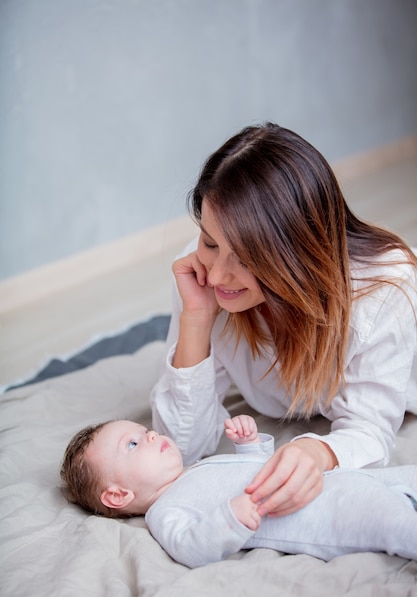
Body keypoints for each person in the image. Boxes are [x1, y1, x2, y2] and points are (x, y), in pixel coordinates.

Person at [150, 122, 417, 518]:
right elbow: (178, 450)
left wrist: (318, 451)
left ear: (295, 254)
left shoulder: (382, 292)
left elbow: (370, 430)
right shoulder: (202, 277)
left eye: (245, 258)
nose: (219, 275)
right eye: (210, 242)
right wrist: (197, 320)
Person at [60, 415, 417, 569]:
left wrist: (249, 446)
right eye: (134, 443)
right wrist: (231, 518)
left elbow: (257, 471)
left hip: (340, 478)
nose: (152, 435)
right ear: (118, 495)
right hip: (334, 513)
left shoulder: (198, 467)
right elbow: (191, 547)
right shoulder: (164, 511)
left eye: (146, 430)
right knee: (398, 524)